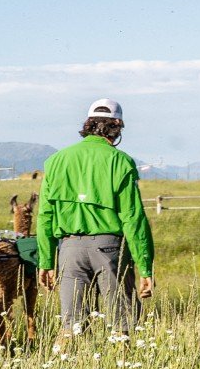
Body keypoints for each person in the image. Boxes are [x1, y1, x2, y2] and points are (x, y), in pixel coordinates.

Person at [36, 97, 155, 336]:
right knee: (122, 325)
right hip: (110, 250)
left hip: (69, 250)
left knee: (72, 327)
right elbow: (133, 219)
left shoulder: (57, 161)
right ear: (117, 126)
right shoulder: (120, 161)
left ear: (88, 124)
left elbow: (45, 215)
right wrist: (145, 267)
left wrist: (46, 261)